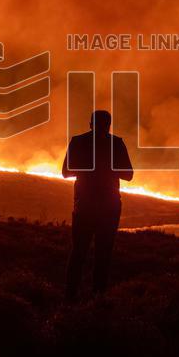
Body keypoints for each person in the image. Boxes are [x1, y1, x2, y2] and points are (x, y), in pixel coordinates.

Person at [62, 110, 133, 301]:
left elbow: (66, 171)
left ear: (90, 124)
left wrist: (90, 168)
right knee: (102, 255)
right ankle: (97, 299)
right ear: (108, 125)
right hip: (108, 206)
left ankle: (70, 299)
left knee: (79, 253)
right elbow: (128, 174)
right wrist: (106, 168)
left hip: (85, 205)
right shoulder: (116, 143)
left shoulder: (78, 142)